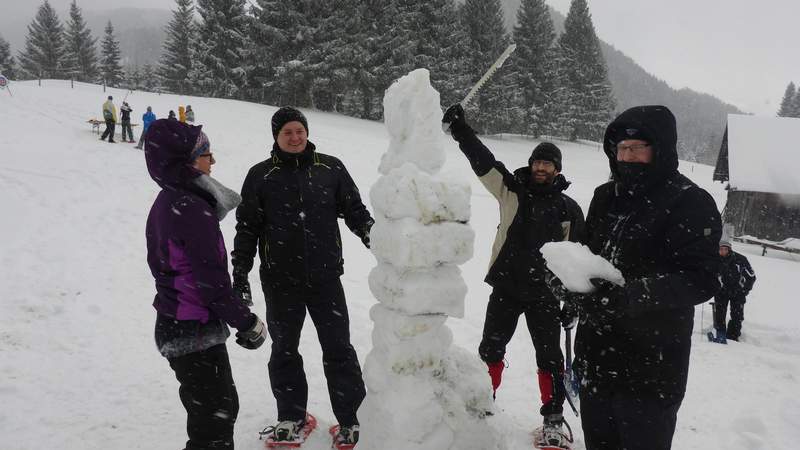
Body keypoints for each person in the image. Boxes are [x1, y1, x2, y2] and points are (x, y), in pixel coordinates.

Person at [573, 105, 722, 450]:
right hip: (596, 358)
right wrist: (568, 284)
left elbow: (702, 277)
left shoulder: (690, 202)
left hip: (651, 369)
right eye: (621, 149)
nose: (627, 157)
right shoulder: (605, 197)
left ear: (661, 149)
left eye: (637, 148)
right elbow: (585, 255)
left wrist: (631, 295)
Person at [442, 103, 585, 449]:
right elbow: (483, 160)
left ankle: (552, 419)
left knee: (550, 358)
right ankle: (482, 403)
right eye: (537, 161)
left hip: (546, 295)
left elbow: (579, 260)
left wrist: (574, 300)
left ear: (556, 169)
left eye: (547, 163)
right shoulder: (512, 190)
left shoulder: (569, 210)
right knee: (490, 348)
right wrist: (460, 130)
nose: (540, 167)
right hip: (506, 287)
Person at [231, 106, 373, 447]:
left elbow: (355, 211)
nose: (295, 138)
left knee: (339, 349)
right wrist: (240, 272)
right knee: (285, 350)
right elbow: (247, 229)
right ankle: (291, 418)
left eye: (299, 131)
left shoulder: (331, 168)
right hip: (280, 282)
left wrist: (377, 239)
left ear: (307, 132)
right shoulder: (260, 176)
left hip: (326, 279)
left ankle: (352, 420)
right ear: (276, 137)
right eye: (287, 133)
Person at [145, 119, 268, 450]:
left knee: (215, 413)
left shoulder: (167, 201)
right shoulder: (190, 208)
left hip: (178, 325)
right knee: (214, 423)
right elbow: (211, 284)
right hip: (191, 330)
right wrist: (248, 322)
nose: (212, 161)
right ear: (187, 161)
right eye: (205, 153)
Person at [710, 238, 756, 343]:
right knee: (720, 314)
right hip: (721, 291)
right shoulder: (715, 260)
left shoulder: (740, 259)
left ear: (729, 249)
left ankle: (733, 336)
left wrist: (745, 290)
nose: (722, 251)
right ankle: (720, 333)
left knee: (737, 315)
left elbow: (751, 277)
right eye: (720, 249)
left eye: (725, 249)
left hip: (738, 292)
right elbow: (708, 275)